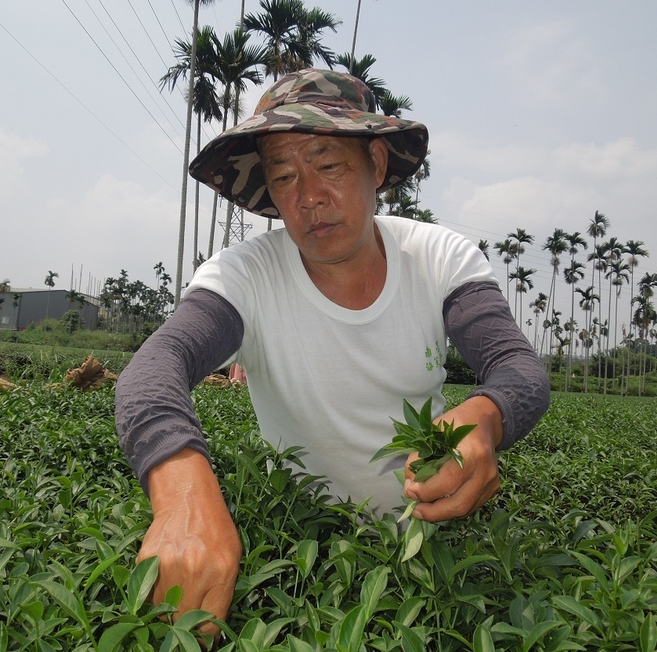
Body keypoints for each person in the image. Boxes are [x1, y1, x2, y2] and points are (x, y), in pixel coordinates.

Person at [115, 68, 550, 632]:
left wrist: (485, 421)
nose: (309, 198)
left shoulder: (439, 258)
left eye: (327, 165)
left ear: (376, 164)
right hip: (299, 546)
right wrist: (181, 495)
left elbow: (517, 369)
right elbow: (155, 368)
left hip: (434, 539)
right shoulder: (245, 277)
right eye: (284, 177)